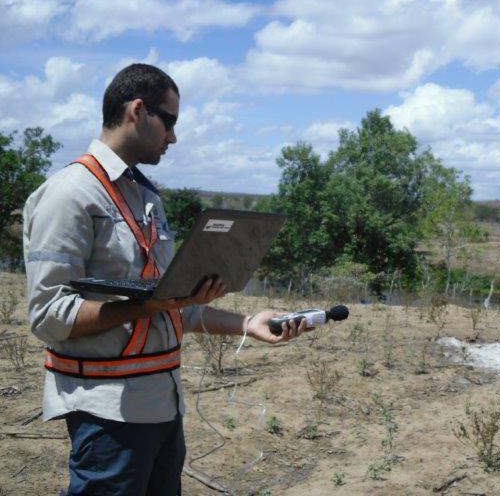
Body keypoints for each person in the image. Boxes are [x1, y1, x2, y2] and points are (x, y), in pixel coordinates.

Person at [23, 63, 307, 495]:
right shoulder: (70, 194)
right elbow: (48, 316)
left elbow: (174, 306)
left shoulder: (146, 197)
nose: (173, 137)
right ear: (137, 110)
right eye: (169, 121)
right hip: (108, 413)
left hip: (162, 404)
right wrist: (145, 306)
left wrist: (247, 323)